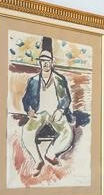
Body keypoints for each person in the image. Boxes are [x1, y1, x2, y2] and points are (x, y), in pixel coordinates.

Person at [20, 36, 80, 169]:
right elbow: (26, 99)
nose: (45, 64)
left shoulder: (60, 79)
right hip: (39, 114)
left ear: (52, 62)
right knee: (26, 132)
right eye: (43, 61)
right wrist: (29, 110)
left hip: (55, 114)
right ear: (39, 63)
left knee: (67, 133)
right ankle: (38, 160)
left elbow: (66, 99)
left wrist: (61, 110)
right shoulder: (33, 81)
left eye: (48, 61)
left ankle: (51, 154)